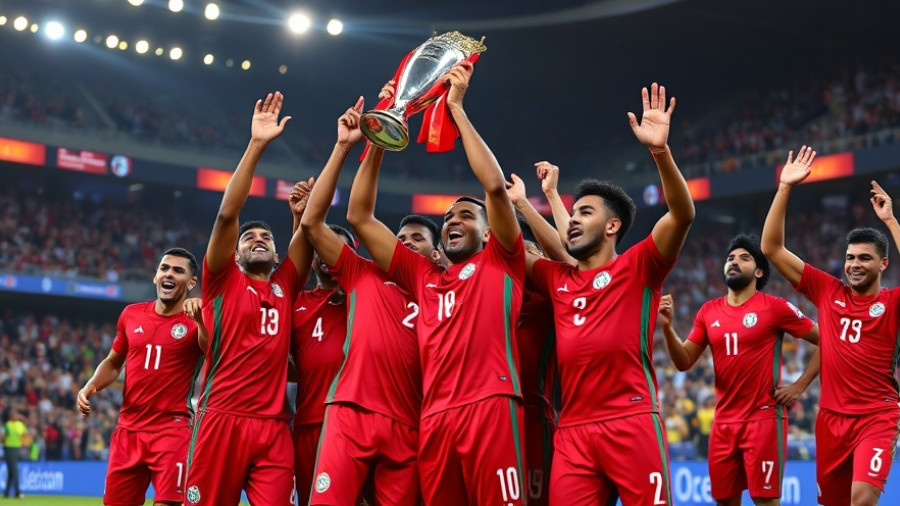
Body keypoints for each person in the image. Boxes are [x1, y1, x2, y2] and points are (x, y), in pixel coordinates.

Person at [346, 62, 527, 504]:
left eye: (465, 215)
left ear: (489, 232)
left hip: (491, 404)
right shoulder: (422, 274)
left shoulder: (502, 260)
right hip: (434, 417)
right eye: (447, 217)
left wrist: (457, 110)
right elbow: (359, 218)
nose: (452, 221)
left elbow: (495, 188)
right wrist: (382, 131)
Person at [527, 83, 694, 505]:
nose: (573, 220)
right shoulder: (557, 279)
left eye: (585, 212)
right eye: (572, 213)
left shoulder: (640, 266)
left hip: (631, 420)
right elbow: (523, 249)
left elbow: (682, 214)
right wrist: (522, 201)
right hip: (573, 433)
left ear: (612, 226)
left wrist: (660, 152)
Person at [301, 98, 443, 505]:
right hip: (350, 412)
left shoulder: (446, 292)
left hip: (411, 424)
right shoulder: (362, 273)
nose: (404, 242)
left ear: (436, 254)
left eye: (417, 239)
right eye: (400, 237)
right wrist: (347, 147)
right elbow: (313, 223)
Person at [183, 92, 314, 506]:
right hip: (221, 417)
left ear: (276, 255)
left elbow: (307, 237)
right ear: (235, 255)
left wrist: (300, 214)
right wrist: (256, 145)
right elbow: (227, 215)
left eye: (266, 237)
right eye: (249, 238)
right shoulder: (221, 280)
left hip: (274, 428)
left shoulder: (286, 284)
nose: (258, 239)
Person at [761, 147, 900, 506]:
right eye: (850, 257)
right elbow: (771, 248)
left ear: (883, 264)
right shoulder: (827, 290)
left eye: (865, 258)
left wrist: (891, 221)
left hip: (878, 415)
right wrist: (785, 188)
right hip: (830, 420)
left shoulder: (893, 302)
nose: (855, 264)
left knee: (862, 497)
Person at [657, 234, 819, 505]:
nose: (734, 261)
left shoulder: (775, 307)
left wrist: (799, 386)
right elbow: (684, 361)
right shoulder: (708, 311)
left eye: (744, 258)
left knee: (764, 500)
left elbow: (827, 340)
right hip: (723, 423)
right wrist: (667, 328)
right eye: (730, 258)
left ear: (758, 271)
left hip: (763, 419)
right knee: (724, 501)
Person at [76, 247, 202, 506]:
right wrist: (91, 385)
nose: (169, 274)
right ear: (155, 276)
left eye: (178, 270)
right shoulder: (131, 315)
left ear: (192, 283)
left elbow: (214, 351)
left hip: (173, 430)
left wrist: (202, 321)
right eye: (164, 268)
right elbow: (114, 362)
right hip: (128, 431)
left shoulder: (198, 321)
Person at [291, 221, 352, 506]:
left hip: (355, 422)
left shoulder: (366, 297)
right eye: (320, 248)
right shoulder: (295, 304)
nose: (327, 253)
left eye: (336, 246)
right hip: (308, 424)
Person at [2, 410, 28, 499]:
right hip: (9, 449)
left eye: (16, 415)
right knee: (15, 471)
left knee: (11, 472)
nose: (16, 416)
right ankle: (17, 492)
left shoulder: (20, 424)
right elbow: (2, 437)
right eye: (14, 415)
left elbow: (25, 434)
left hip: (17, 449)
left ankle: (6, 493)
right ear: (10, 416)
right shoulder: (7, 425)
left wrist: (24, 442)